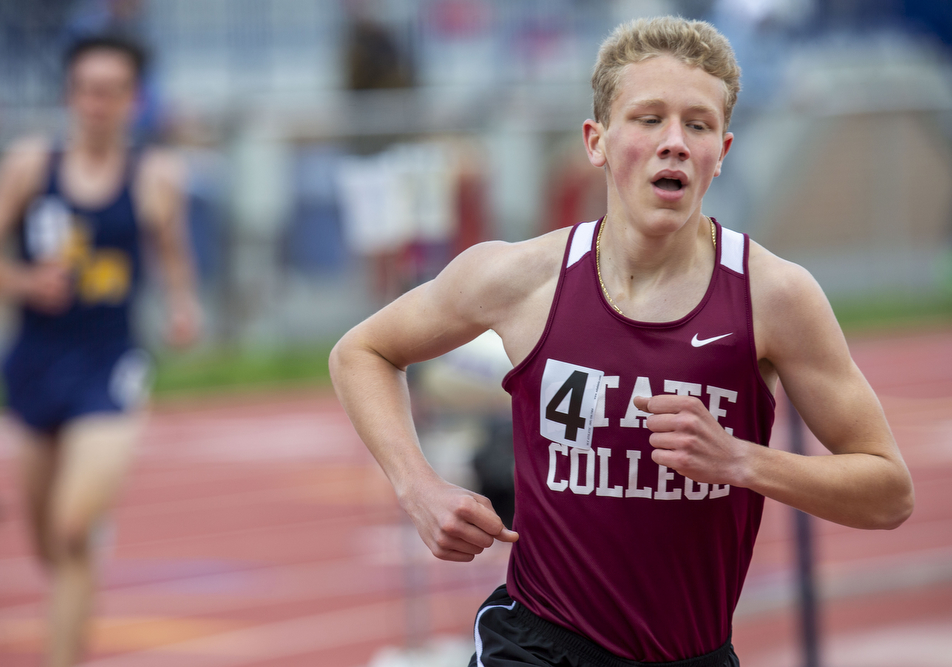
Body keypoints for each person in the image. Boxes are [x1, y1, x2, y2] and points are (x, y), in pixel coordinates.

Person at [329, 16, 914, 667]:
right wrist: (420, 488)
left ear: (722, 151)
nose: (674, 143)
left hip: (689, 652)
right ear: (597, 140)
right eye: (647, 119)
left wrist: (742, 461)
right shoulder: (520, 277)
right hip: (537, 643)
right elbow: (362, 351)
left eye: (696, 125)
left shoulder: (773, 296)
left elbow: (890, 491)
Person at [0, 34, 199, 667]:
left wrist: (181, 306)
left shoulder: (154, 176)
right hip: (34, 365)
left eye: (112, 91)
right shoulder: (30, 165)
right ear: (70, 96)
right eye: (87, 90)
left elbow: (174, 256)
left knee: (69, 530)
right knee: (50, 544)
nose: (98, 103)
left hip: (110, 364)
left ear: (132, 100)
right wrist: (24, 282)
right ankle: (81, 548)